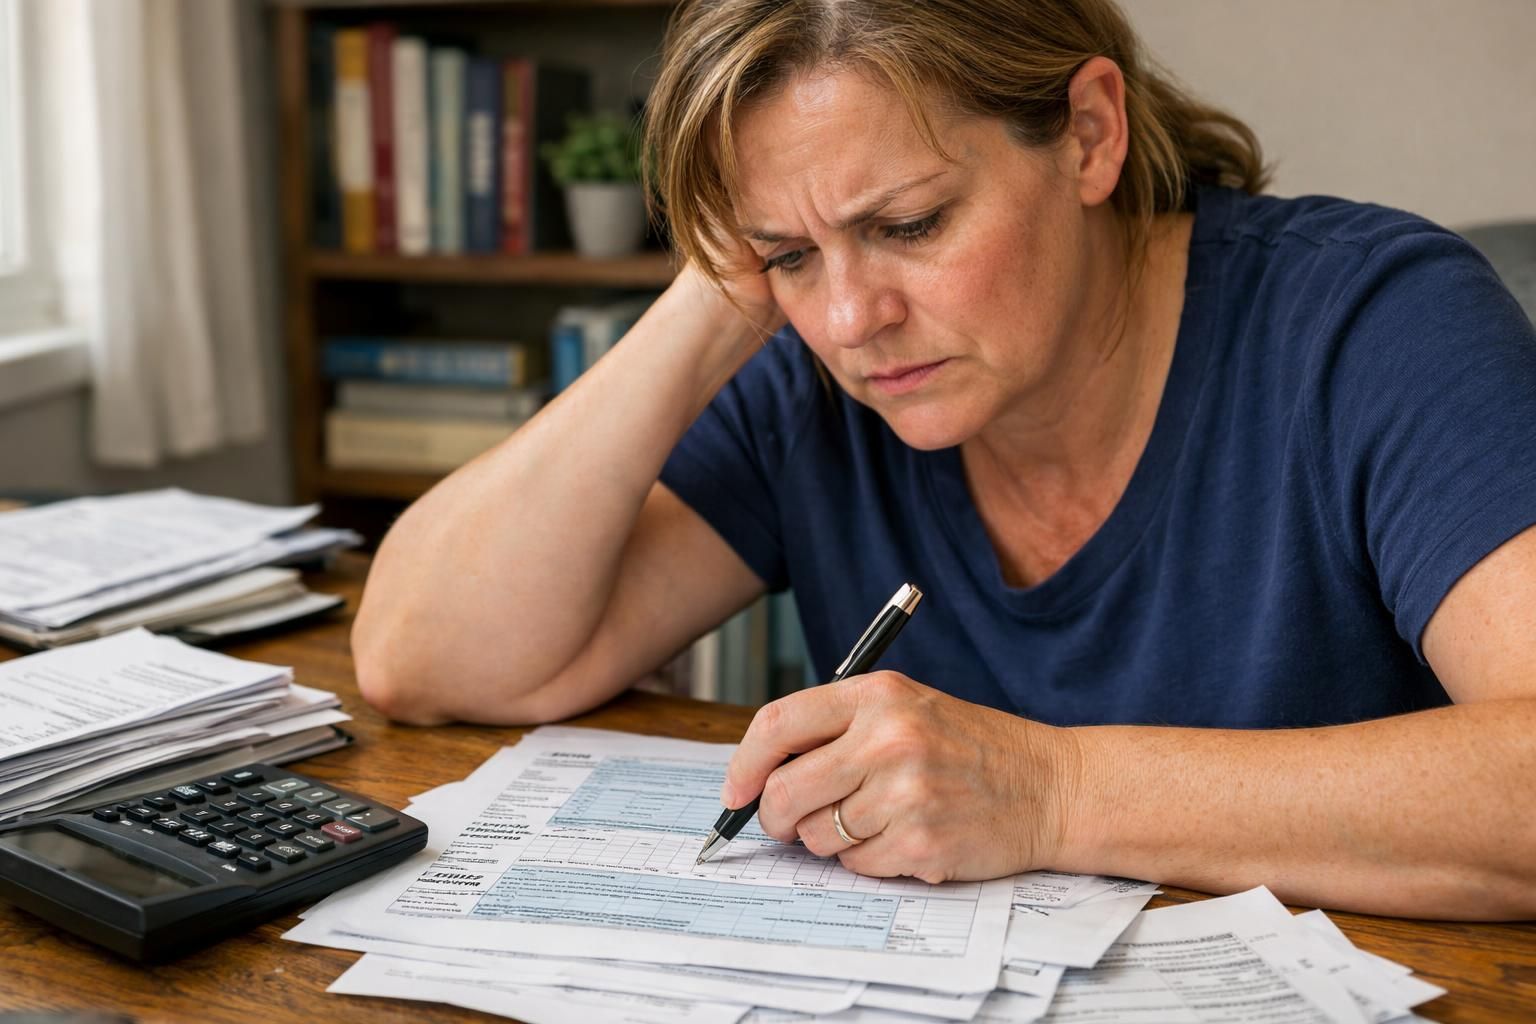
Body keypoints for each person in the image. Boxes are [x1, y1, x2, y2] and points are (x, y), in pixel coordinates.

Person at [352, 0, 1536, 919]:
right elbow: (424, 658)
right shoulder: (812, 371)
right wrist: (718, 292)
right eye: (788, 254)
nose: (855, 319)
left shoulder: (1373, 324)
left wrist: (1052, 791)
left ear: (1088, 134)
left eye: (908, 225)